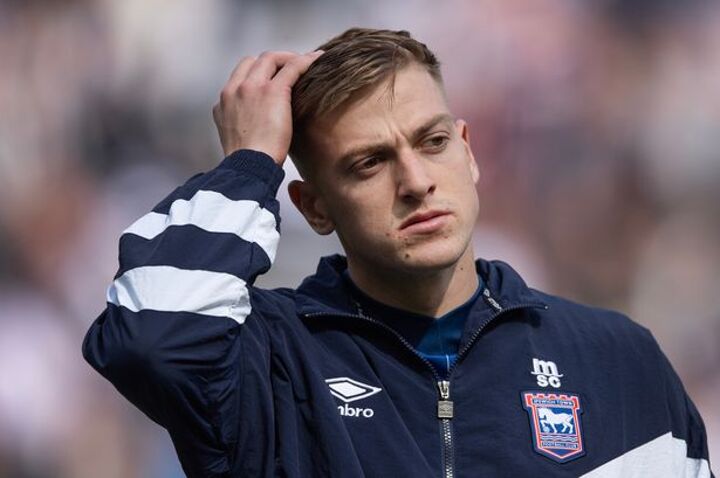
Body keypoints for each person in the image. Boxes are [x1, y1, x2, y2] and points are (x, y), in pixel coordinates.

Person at [82, 28, 713, 477]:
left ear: (468, 151)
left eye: (432, 142)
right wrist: (250, 163)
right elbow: (150, 338)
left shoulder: (616, 359)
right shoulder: (271, 362)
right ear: (313, 207)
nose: (415, 181)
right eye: (369, 163)